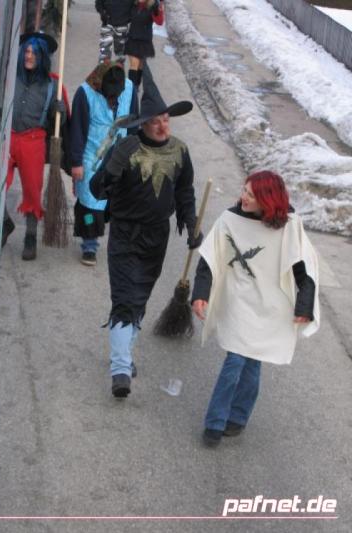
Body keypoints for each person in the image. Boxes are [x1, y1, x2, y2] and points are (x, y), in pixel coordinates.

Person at [90, 78, 201, 398]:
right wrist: (113, 165)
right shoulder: (126, 148)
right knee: (124, 300)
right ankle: (120, 370)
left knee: (139, 299)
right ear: (143, 124)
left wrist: (191, 223)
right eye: (156, 121)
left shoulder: (180, 150)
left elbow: (185, 191)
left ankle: (123, 354)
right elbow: (97, 190)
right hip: (125, 234)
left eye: (166, 119)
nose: (163, 126)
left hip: (157, 237)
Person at [191, 171, 320, 447]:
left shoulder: (290, 226)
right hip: (239, 301)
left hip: (271, 305)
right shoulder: (230, 220)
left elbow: (304, 270)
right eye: (244, 191)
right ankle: (215, 422)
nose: (243, 198)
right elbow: (209, 260)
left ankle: (238, 417)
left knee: (252, 361)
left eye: (250, 194)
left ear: (267, 199)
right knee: (236, 359)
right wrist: (200, 293)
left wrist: (305, 305)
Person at [2, 31, 68, 260]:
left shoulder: (53, 85)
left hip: (33, 141)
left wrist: (60, 111)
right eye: (27, 51)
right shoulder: (11, 76)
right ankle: (5, 222)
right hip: (8, 137)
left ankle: (30, 237)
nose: (29, 56)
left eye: (35, 53)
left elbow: (60, 123)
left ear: (43, 57)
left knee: (32, 190)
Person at [70, 61, 138, 266]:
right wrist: (76, 162)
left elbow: (134, 124)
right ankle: (89, 243)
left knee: (118, 204)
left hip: (120, 156)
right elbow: (77, 130)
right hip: (92, 158)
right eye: (109, 97)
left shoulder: (129, 88)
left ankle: (121, 243)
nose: (113, 101)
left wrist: (136, 154)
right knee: (90, 206)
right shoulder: (84, 93)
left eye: (116, 97)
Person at [125, 0, 164, 88]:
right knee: (134, 65)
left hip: (145, 40)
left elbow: (159, 22)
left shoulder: (153, 6)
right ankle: (131, 90)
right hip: (133, 38)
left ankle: (136, 86)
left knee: (140, 65)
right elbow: (126, 17)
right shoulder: (133, 4)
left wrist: (160, 11)